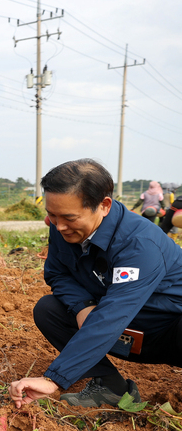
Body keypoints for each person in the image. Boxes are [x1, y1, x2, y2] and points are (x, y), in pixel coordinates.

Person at [10, 159, 182, 409]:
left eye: (69, 217)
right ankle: (111, 386)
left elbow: (114, 313)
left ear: (104, 205)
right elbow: (57, 274)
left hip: (166, 333)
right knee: (49, 309)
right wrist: (82, 306)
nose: (59, 226)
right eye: (52, 215)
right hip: (124, 332)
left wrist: (54, 379)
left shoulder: (140, 244)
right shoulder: (62, 227)